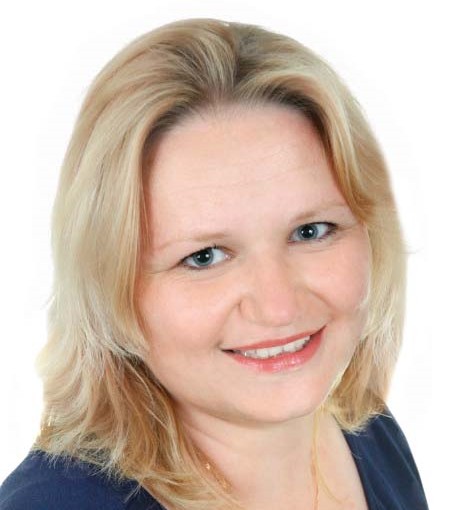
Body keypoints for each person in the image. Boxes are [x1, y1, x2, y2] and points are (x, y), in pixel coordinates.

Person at [0, 18, 428, 510]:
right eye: (203, 258)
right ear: (110, 284)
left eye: (311, 231)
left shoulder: (366, 428)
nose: (279, 308)